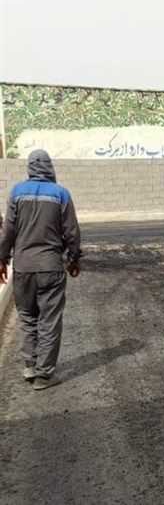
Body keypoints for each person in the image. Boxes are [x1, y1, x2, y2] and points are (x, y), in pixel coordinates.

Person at [0, 149, 82, 391]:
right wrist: (75, 258)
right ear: (50, 167)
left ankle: (30, 365)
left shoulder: (15, 192)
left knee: (27, 317)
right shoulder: (60, 194)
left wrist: (2, 259)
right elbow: (72, 232)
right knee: (49, 319)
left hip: (23, 267)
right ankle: (44, 375)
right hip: (51, 267)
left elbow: (8, 232)